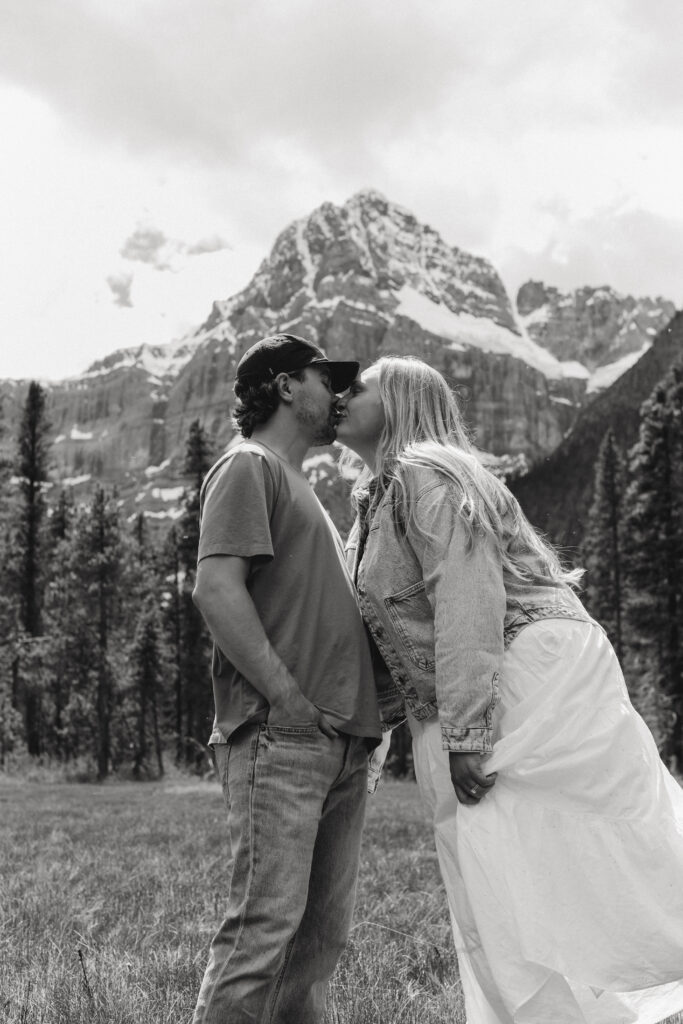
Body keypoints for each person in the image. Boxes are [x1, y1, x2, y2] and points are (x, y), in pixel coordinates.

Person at [336, 354, 683, 1024]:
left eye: (363, 386)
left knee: (530, 860)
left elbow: (468, 595)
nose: (345, 394)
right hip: (480, 682)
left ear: (403, 403)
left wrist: (467, 731)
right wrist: (373, 738)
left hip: (521, 670)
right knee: (511, 867)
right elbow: (389, 636)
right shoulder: (375, 499)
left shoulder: (424, 473)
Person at [191, 334, 381, 1024]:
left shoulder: (300, 485)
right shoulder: (249, 466)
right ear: (282, 386)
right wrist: (287, 698)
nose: (336, 394)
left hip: (339, 744)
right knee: (264, 931)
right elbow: (217, 589)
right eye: (323, 378)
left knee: (316, 947)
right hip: (283, 736)